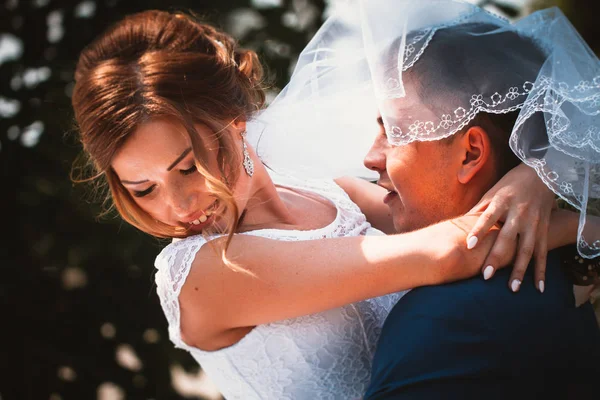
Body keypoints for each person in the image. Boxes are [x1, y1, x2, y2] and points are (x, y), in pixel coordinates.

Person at [69, 6, 586, 400]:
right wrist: (540, 186)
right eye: (143, 190)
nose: (178, 203)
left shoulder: (326, 188)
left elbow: (447, 217)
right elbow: (452, 249)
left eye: (187, 167)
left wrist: (534, 177)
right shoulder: (205, 272)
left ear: (234, 118)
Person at [357, 3, 600, 399]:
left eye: (396, 132)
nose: (370, 158)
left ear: (470, 154)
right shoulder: (557, 271)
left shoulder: (443, 321)